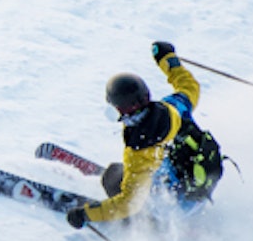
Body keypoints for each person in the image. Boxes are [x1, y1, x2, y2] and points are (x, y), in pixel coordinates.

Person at [66, 41, 223, 230]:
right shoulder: (173, 107)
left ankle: (151, 225)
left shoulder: (140, 152)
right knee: (139, 173)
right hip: (198, 191)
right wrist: (167, 59)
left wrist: (85, 214)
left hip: (174, 212)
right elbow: (189, 86)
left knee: (112, 177)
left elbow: (128, 204)